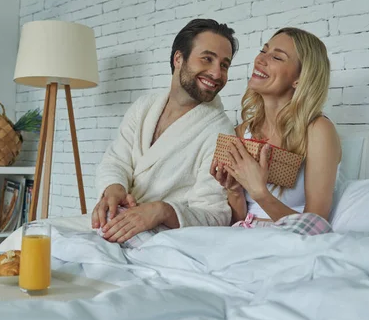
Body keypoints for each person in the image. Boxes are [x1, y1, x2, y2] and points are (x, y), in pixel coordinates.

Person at [92, 18, 239, 246]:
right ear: (178, 58)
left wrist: (161, 211)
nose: (217, 73)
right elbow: (116, 160)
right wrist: (114, 188)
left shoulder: (221, 133)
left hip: (163, 241)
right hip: (115, 223)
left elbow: (216, 215)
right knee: (36, 237)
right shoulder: (144, 106)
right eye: (207, 59)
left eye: (224, 65)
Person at [210, 27, 341, 235]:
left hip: (292, 240)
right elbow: (239, 220)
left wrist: (259, 192)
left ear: (299, 79)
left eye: (277, 57)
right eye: (263, 51)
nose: (260, 60)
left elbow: (316, 227)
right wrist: (234, 190)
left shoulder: (318, 131)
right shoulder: (243, 131)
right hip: (243, 235)